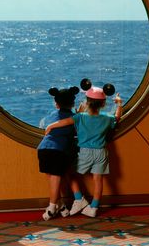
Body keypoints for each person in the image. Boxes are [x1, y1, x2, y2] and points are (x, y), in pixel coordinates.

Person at [45, 78, 123, 218]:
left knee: (69, 171)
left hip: (85, 153)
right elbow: (117, 118)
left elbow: (64, 122)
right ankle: (93, 208)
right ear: (103, 103)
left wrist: (51, 126)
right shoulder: (107, 117)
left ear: (86, 102)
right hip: (101, 153)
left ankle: (79, 198)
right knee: (98, 180)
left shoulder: (80, 116)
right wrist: (119, 104)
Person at [37, 85, 80, 221]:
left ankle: (61, 206)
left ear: (56, 104)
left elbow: (43, 126)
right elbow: (77, 131)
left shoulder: (50, 117)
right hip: (58, 151)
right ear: (73, 103)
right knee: (56, 179)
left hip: (43, 149)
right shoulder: (74, 117)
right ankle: (51, 207)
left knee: (52, 179)